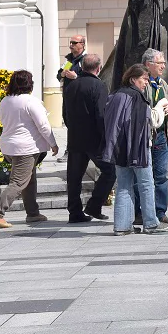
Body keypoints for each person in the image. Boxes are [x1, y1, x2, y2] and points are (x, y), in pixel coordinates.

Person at [103, 64, 168, 236]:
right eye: (144, 79)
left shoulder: (116, 95)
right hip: (138, 147)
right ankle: (151, 223)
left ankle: (122, 226)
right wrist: (159, 108)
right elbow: (150, 121)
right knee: (146, 184)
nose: (146, 83)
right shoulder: (137, 97)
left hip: (119, 147)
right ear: (133, 79)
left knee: (124, 185)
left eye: (147, 80)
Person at [0, 71, 58, 229]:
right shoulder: (31, 102)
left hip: (9, 146)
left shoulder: (5, 101)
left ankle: (33, 213)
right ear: (29, 84)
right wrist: (53, 143)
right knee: (18, 182)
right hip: (25, 148)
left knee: (29, 179)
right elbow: (44, 126)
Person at [61, 52, 115, 223]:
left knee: (74, 178)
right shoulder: (98, 86)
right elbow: (101, 114)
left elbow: (65, 113)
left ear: (82, 67)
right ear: (98, 68)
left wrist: (73, 128)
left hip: (75, 138)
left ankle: (75, 212)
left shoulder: (71, 86)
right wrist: (105, 137)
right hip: (94, 139)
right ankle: (94, 205)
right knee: (109, 172)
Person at [141, 49, 168, 227]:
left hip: (162, 135)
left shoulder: (162, 84)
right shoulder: (143, 83)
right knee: (143, 176)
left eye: (163, 62)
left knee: (161, 176)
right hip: (146, 136)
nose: (163, 65)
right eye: (160, 62)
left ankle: (160, 212)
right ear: (149, 65)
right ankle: (141, 213)